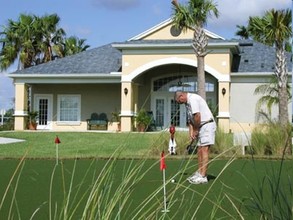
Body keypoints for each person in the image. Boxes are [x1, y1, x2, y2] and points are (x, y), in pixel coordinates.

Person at [174, 91, 216, 184]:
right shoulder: (187, 103)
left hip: (207, 125)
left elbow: (197, 116)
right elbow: (190, 119)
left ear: (181, 96)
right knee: (199, 149)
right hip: (201, 126)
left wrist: (196, 130)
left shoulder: (193, 99)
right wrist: (191, 133)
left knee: (204, 149)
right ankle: (200, 172)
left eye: (179, 101)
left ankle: (203, 176)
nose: (180, 103)